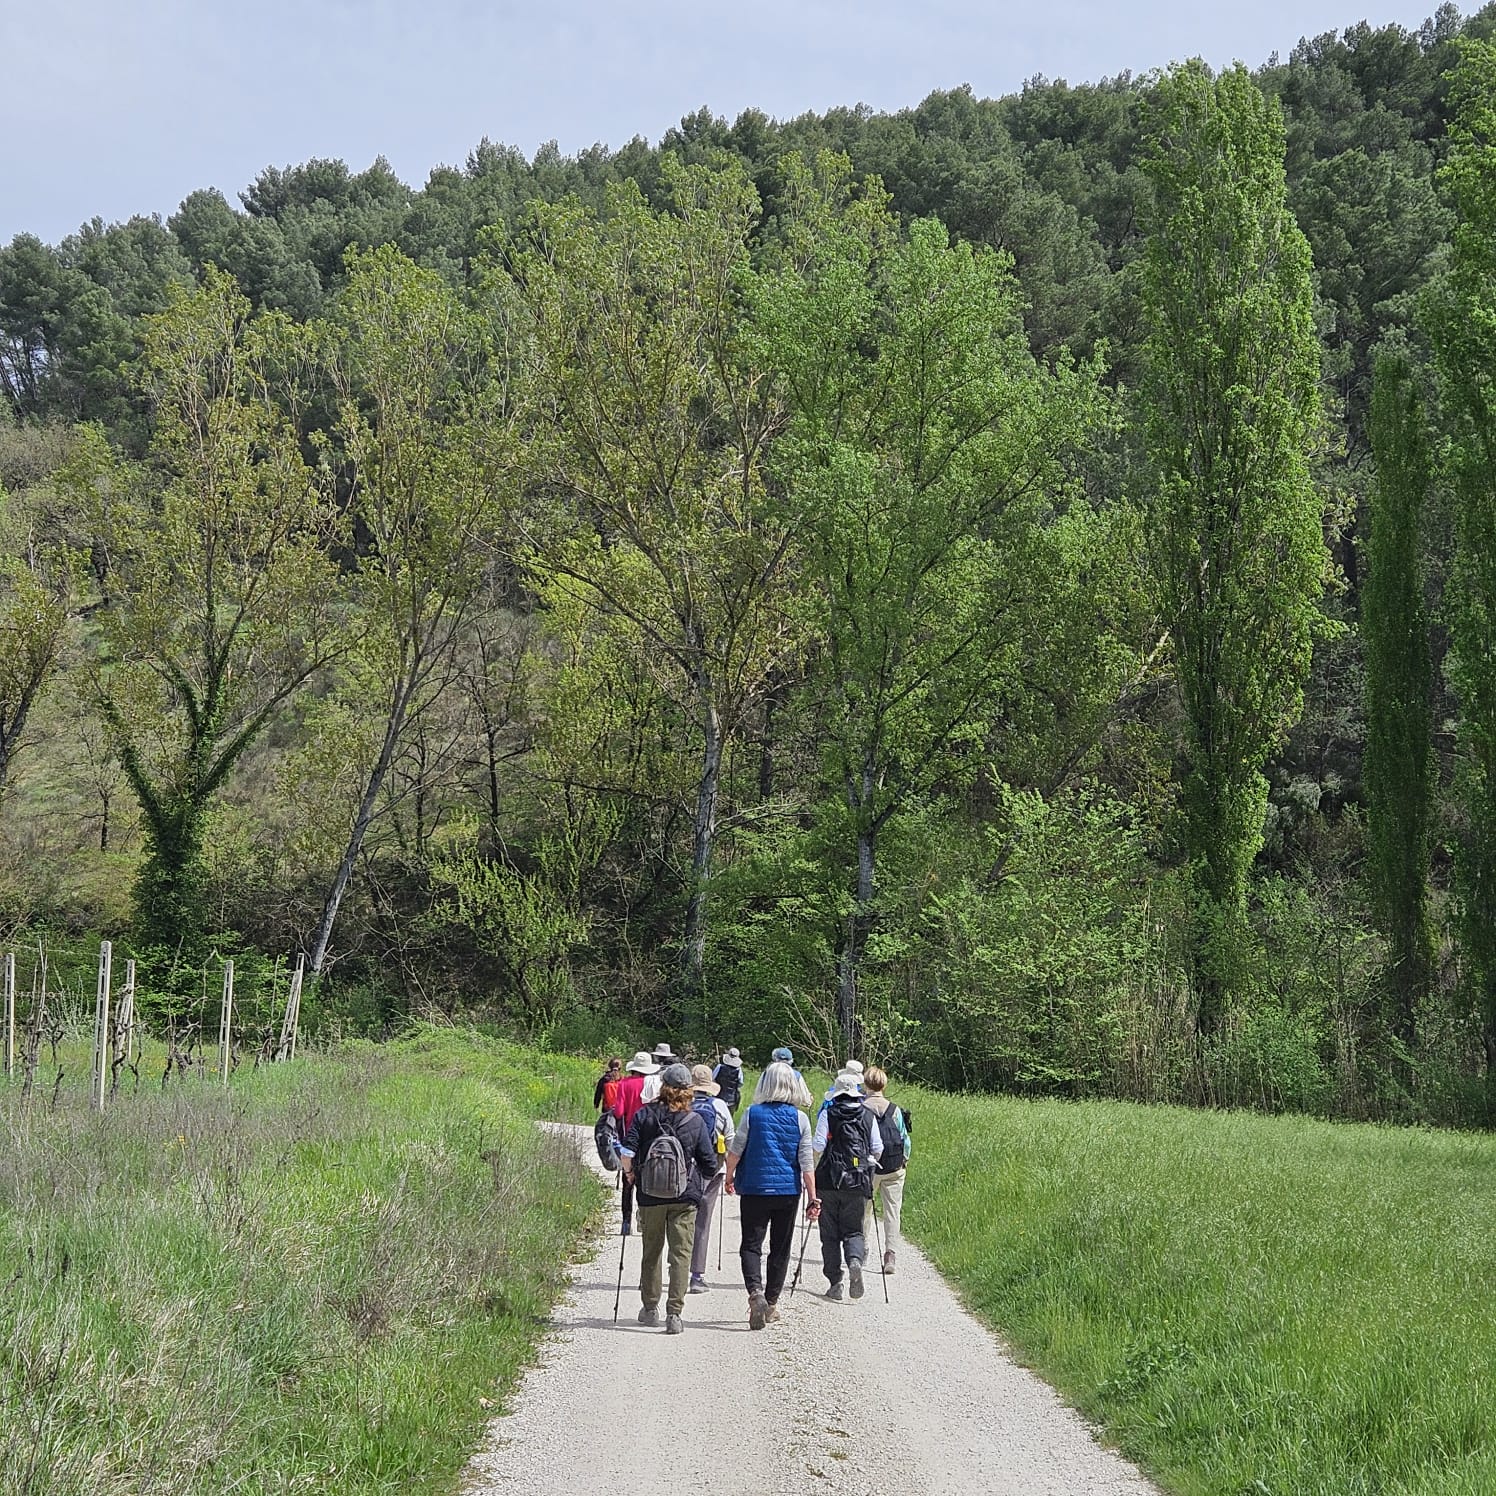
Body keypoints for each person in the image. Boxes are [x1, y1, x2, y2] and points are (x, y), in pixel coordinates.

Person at [618, 1062, 720, 1335]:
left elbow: (627, 1152)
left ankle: (650, 1307)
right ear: (689, 1090)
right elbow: (710, 1164)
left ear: (663, 1086)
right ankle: (674, 1313)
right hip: (684, 1197)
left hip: (650, 1195)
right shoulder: (695, 1121)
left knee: (651, 1252)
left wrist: (630, 1174)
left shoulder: (644, 1115)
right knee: (680, 1254)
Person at [725, 1061, 817, 1330]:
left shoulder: (753, 1114)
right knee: (780, 1248)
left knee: (751, 1245)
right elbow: (806, 1163)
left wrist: (729, 1175)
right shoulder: (800, 1119)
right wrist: (813, 1197)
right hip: (787, 1191)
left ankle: (755, 1293)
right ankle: (772, 1303)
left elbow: (736, 1150)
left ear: (766, 1084)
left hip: (754, 1189)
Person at [812, 1071, 882, 1301]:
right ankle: (854, 1261)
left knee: (829, 1235)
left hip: (828, 1181)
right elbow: (877, 1148)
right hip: (857, 1181)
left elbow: (818, 1144)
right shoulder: (867, 1115)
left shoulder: (828, 1113)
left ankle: (835, 1283)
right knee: (854, 1230)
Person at [687, 1064, 735, 1293]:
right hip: (712, 1169)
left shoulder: (682, 1103)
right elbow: (731, 1136)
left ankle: (674, 1265)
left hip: (684, 1170)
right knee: (702, 1222)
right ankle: (696, 1276)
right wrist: (730, 1169)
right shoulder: (720, 1106)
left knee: (680, 1219)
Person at [862, 1065, 911, 1274]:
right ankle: (890, 1254)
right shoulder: (895, 1110)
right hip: (894, 1167)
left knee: (864, 1209)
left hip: (869, 1168)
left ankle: (862, 1250)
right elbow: (905, 1139)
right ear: (884, 1084)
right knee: (893, 1211)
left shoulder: (861, 1108)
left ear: (866, 1085)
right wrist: (904, 1159)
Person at [611, 1051, 659, 1235]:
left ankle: (626, 1221)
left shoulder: (624, 1084)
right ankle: (642, 1215)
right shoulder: (651, 1084)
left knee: (628, 1177)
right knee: (644, 1177)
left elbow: (619, 1112)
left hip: (629, 1136)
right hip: (648, 1136)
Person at [712, 1047, 745, 1111]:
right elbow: (740, 1083)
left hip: (718, 1096)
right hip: (731, 1100)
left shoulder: (719, 1067)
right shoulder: (738, 1070)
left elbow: (712, 1078)